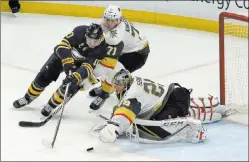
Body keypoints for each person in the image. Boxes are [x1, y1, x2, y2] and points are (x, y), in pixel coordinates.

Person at [12, 23, 120, 117]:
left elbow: (88, 67)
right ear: (85, 35)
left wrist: (76, 76)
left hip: (79, 65)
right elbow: (61, 46)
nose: (91, 43)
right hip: (63, 56)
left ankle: (51, 105)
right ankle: (28, 97)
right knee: (45, 75)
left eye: (94, 41)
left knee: (71, 86)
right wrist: (68, 62)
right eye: (89, 40)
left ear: (100, 38)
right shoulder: (80, 31)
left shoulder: (101, 49)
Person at [94, 69, 229, 144]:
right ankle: (207, 106)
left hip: (174, 104)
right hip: (176, 95)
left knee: (162, 120)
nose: (116, 87)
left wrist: (113, 127)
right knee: (162, 114)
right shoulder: (134, 82)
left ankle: (204, 111)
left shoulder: (132, 93)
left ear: (126, 83)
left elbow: (124, 115)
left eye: (118, 84)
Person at [88, 4, 150, 110]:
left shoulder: (117, 34)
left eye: (113, 21)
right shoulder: (112, 22)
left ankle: (105, 93)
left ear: (119, 20)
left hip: (137, 54)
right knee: (108, 68)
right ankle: (106, 87)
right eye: (107, 19)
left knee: (111, 70)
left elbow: (108, 42)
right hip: (127, 50)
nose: (109, 23)